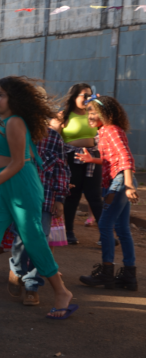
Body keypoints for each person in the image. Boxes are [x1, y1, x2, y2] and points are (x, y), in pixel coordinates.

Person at [0, 77, 76, 339]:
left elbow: (18, 163)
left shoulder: (14, 122)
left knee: (33, 239)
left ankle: (61, 291)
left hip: (21, 183)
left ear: (14, 99)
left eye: (1, 95)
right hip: (8, 185)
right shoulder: (1, 122)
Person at [8, 88, 71, 306]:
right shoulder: (11, 133)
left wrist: (60, 199)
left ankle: (32, 285)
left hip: (45, 200)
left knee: (39, 240)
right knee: (20, 239)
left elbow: (62, 170)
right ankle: (16, 268)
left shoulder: (53, 137)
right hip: (19, 198)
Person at [77, 96, 138, 291]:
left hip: (120, 182)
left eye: (94, 112)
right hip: (117, 181)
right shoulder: (104, 131)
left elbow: (125, 156)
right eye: (88, 112)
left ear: (106, 113)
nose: (90, 116)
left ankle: (107, 273)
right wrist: (92, 160)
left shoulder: (111, 130)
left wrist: (128, 185)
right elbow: (110, 159)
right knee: (122, 229)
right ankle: (129, 277)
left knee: (104, 224)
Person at [56, 83, 103, 244]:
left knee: (94, 196)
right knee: (72, 195)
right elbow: (53, 137)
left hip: (92, 158)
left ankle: (105, 235)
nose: (87, 98)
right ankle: (69, 231)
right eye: (84, 95)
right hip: (71, 158)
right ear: (74, 96)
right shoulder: (64, 115)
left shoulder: (95, 114)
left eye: (90, 95)